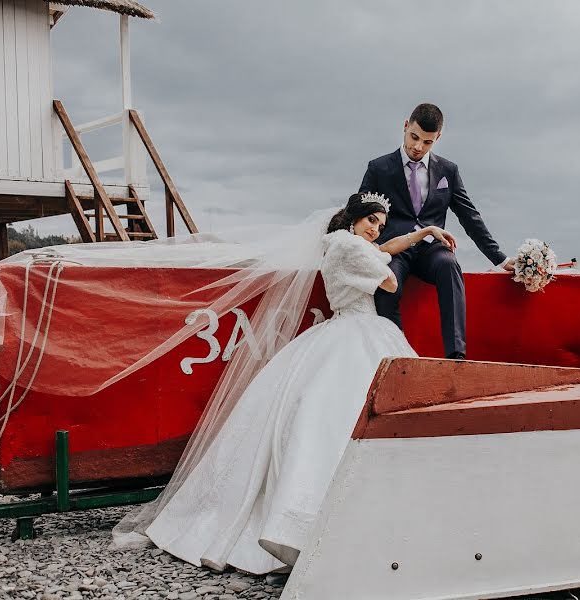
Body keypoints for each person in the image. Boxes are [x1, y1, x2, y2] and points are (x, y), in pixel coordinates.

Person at [117, 193, 457, 575]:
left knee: (313, 413)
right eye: (371, 222)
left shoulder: (342, 243)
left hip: (343, 326)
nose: (376, 230)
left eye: (380, 224)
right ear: (355, 220)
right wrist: (384, 257)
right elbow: (392, 284)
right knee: (341, 414)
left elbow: (383, 249)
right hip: (359, 328)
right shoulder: (350, 245)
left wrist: (420, 233)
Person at [360, 102, 514, 360]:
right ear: (405, 126)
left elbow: (469, 215)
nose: (418, 147)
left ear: (438, 138)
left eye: (427, 142)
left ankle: (456, 356)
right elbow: (361, 211)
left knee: (449, 265)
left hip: (431, 249)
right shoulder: (379, 168)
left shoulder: (448, 171)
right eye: (414, 137)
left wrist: (500, 258)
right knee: (387, 285)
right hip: (395, 249)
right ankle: (396, 356)